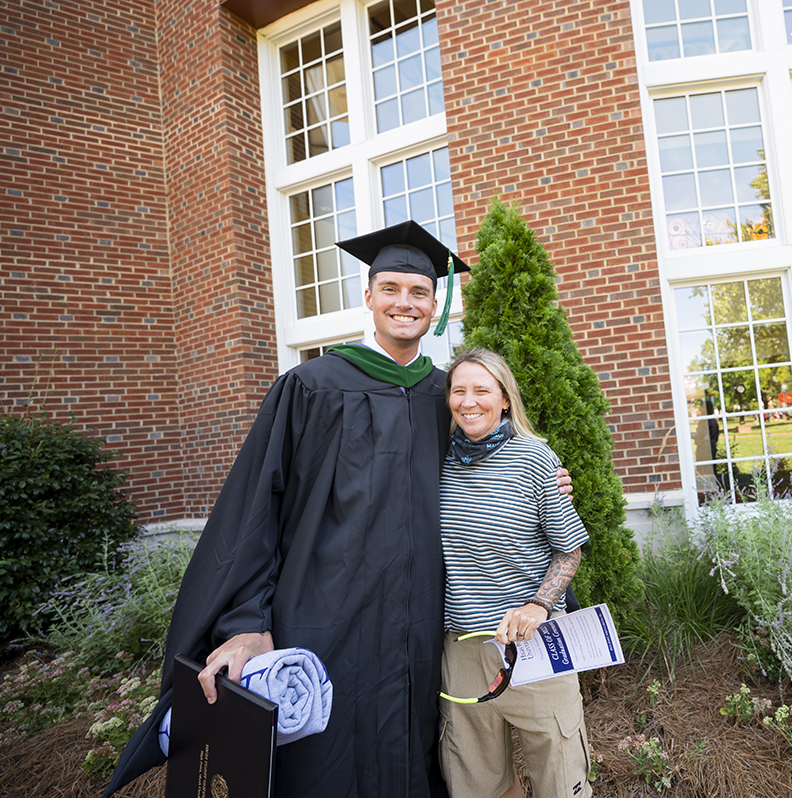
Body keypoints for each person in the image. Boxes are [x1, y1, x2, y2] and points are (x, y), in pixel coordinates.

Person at [103, 221, 568, 798]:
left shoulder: (445, 396)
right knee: (326, 763)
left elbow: (493, 469)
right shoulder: (311, 388)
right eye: (391, 288)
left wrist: (550, 479)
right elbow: (254, 514)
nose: (405, 302)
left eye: (419, 292)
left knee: (418, 757)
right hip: (324, 623)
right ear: (368, 297)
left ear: (436, 303)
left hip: (420, 630)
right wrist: (248, 623)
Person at [437, 348, 592, 798]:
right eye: (459, 390)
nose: (469, 401)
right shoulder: (437, 462)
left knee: (563, 783)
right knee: (479, 785)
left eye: (482, 390)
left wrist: (538, 604)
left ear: (505, 399)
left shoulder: (535, 458)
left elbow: (569, 550)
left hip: (533, 646)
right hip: (462, 649)